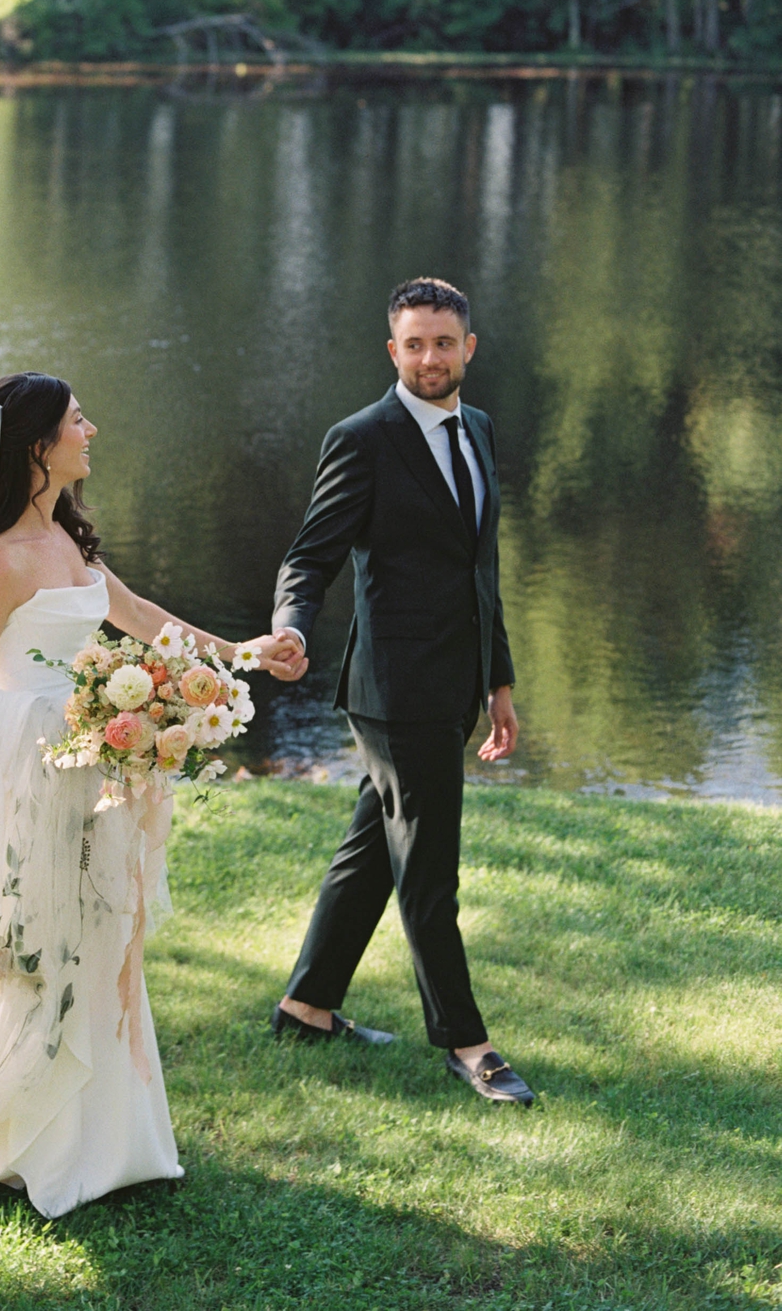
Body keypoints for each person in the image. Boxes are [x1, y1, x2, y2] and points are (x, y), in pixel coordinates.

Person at [0, 372, 292, 1216]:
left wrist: (239, 655)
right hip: (30, 783)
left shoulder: (66, 536)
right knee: (34, 948)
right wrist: (75, 713)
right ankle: (20, 1141)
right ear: (37, 445)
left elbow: (136, 616)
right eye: (75, 421)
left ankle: (108, 1140)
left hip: (94, 778)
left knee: (103, 941)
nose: (90, 430)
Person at [266, 279, 536, 1107]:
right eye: (414, 344)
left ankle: (306, 1006)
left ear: (469, 347)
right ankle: (469, 1043)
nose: (429, 358)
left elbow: (478, 570)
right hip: (394, 691)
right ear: (393, 351)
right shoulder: (363, 439)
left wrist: (498, 679)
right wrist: (293, 627)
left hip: (455, 684)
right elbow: (310, 555)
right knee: (430, 870)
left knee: (375, 845)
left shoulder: (479, 428)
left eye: (443, 343)